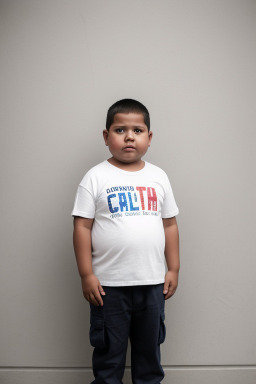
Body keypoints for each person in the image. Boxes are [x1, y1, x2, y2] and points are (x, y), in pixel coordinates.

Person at [71, 98, 180, 384]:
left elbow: (169, 224)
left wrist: (174, 269)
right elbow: (81, 226)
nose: (129, 136)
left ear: (149, 137)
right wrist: (86, 274)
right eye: (120, 130)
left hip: (152, 284)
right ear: (106, 137)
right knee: (109, 360)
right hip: (108, 288)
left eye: (137, 130)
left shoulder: (158, 176)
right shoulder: (95, 177)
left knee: (149, 360)